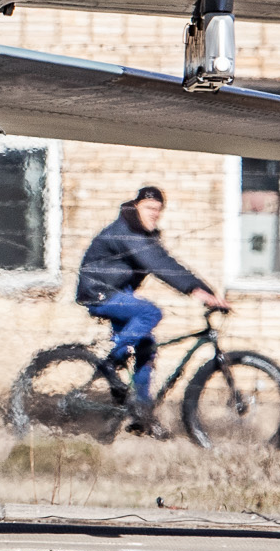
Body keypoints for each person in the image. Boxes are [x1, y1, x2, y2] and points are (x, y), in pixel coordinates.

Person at [75, 186, 231, 437]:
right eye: (149, 208)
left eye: (158, 209)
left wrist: (207, 292)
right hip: (99, 293)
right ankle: (110, 364)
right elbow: (158, 264)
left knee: (145, 347)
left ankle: (142, 413)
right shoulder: (126, 231)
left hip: (119, 292)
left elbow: (167, 262)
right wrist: (198, 293)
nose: (154, 213)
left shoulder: (141, 234)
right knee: (149, 313)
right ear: (136, 206)